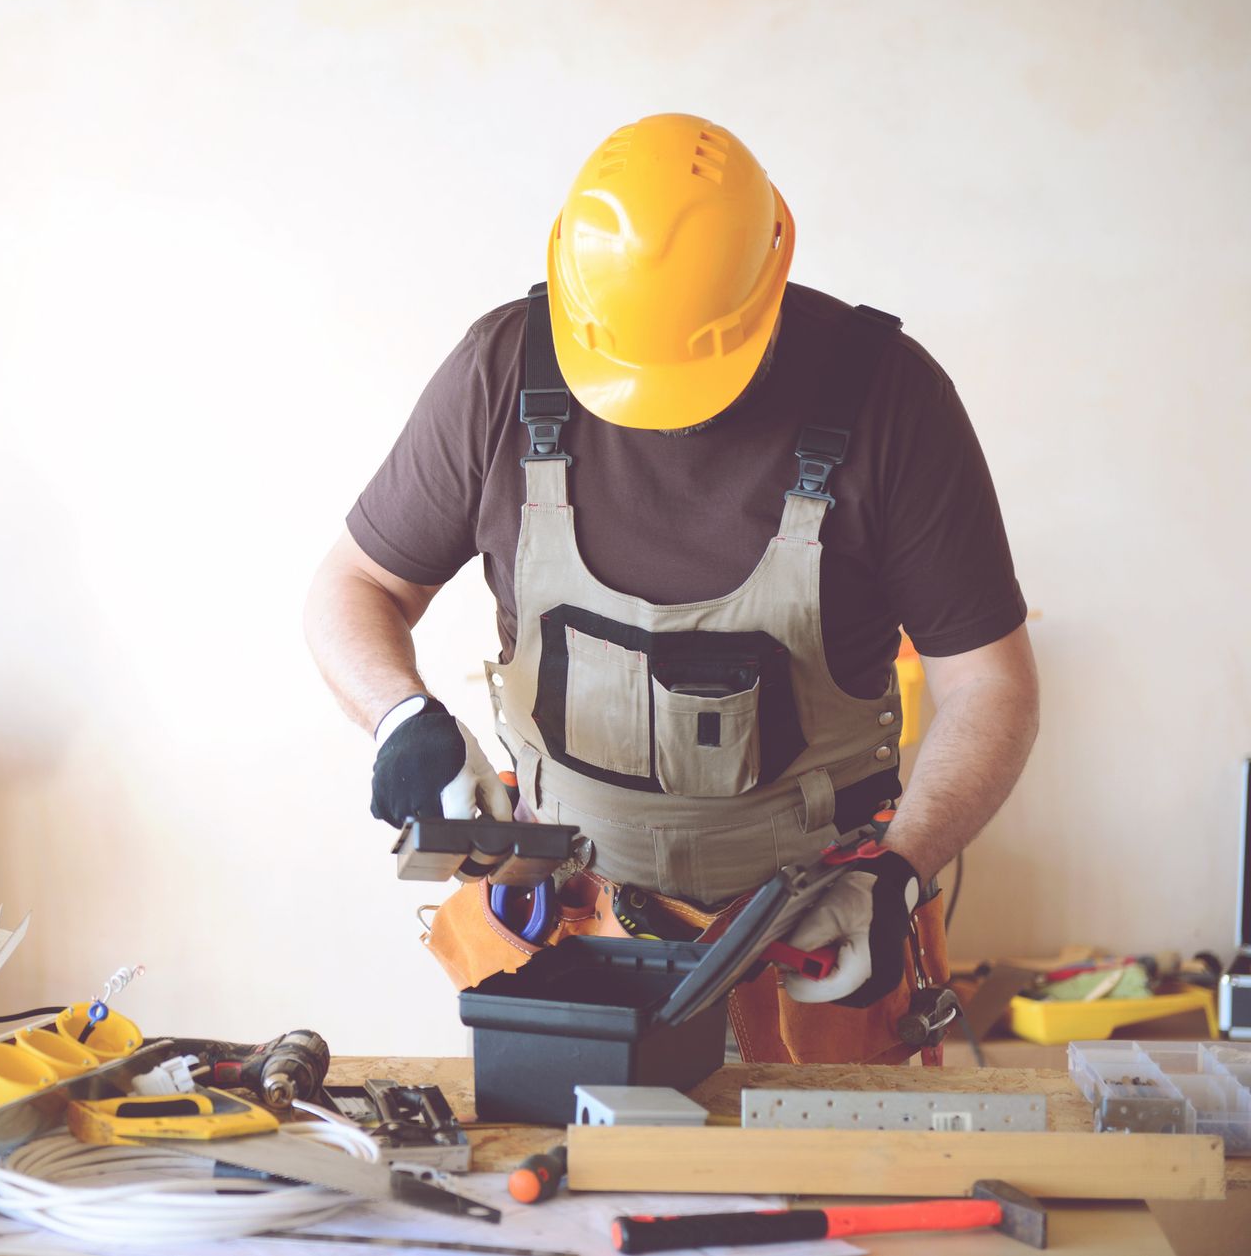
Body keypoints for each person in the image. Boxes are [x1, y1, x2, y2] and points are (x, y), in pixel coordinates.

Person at [303, 113, 1039, 1063]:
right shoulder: (498, 373)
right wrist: (399, 718)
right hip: (571, 937)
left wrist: (897, 873)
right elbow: (355, 584)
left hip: (823, 941)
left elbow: (993, 688)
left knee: (839, 1205)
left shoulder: (890, 401)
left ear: (770, 275)